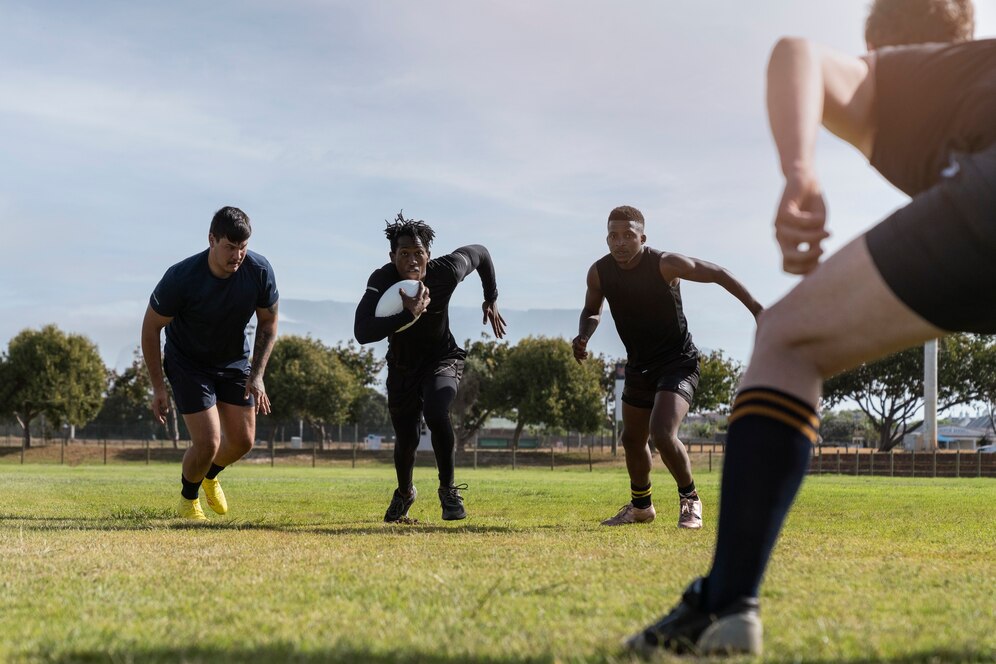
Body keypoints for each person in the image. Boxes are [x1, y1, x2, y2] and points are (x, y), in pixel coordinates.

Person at [625, 9, 995, 659]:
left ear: (879, 45)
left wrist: (800, 170)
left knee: (789, 336)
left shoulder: (925, 70)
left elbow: (798, 54)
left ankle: (725, 603)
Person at [572, 205, 762, 529]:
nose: (619, 242)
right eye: (613, 236)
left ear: (642, 237)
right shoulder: (599, 272)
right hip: (639, 366)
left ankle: (690, 500)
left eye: (628, 236)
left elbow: (718, 273)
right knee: (631, 440)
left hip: (678, 362)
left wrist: (759, 311)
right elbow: (592, 309)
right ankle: (641, 507)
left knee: (661, 432)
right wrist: (584, 335)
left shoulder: (664, 264)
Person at [354, 212, 506, 523]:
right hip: (402, 367)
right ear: (392, 256)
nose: (412, 261)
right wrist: (407, 315)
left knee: (437, 411)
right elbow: (362, 331)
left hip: (442, 358)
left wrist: (490, 297)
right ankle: (405, 491)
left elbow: (481, 253)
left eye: (418, 253)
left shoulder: (446, 271)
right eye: (404, 254)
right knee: (406, 438)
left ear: (429, 255)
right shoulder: (382, 280)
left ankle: (448, 490)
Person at [142, 206, 279, 521]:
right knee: (208, 441)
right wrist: (158, 387)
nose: (237, 255)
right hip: (187, 362)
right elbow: (151, 328)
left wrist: (257, 376)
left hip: (233, 361)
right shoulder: (181, 277)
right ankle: (188, 500)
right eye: (230, 247)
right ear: (211, 240)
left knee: (243, 442)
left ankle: (209, 475)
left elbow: (269, 322)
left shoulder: (259, 270)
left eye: (242, 247)